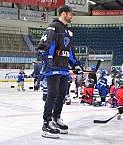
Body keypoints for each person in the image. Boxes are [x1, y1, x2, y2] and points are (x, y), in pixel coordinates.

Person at [36, 5, 82, 139]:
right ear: (63, 14)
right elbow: (44, 46)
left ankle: (56, 118)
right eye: (70, 14)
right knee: (53, 94)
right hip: (53, 67)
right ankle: (47, 123)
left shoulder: (68, 32)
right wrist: (47, 60)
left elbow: (70, 52)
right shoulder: (53, 27)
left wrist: (75, 64)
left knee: (62, 94)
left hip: (63, 68)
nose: (72, 16)